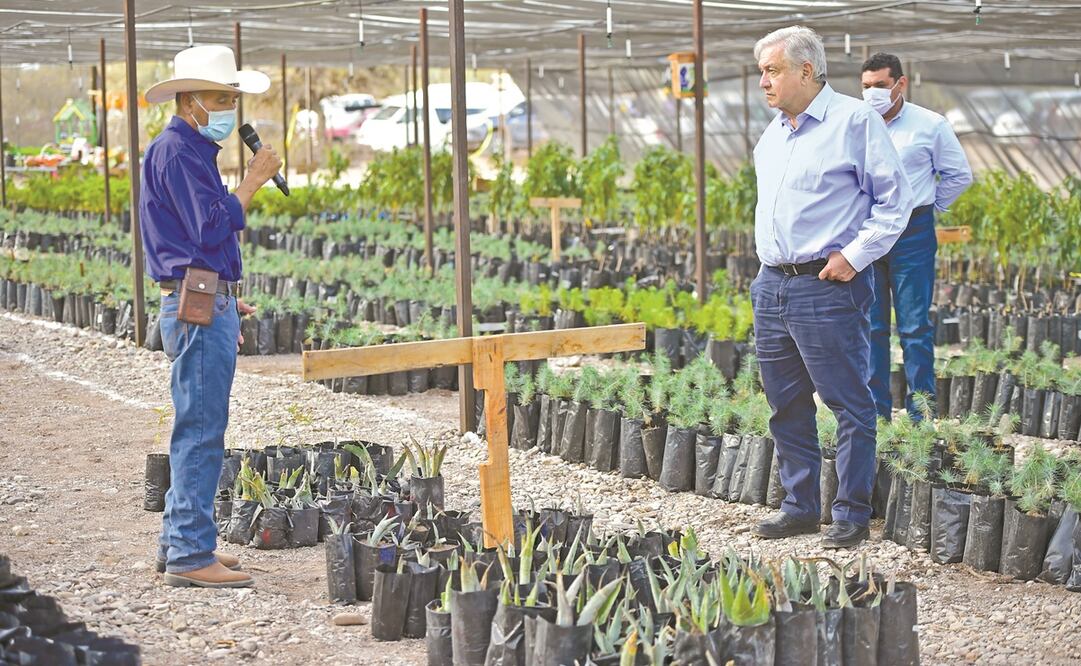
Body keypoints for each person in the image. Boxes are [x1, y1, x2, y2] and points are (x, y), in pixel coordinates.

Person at [748, 27, 914, 548]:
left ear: (806, 70)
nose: (763, 82)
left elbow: (895, 202)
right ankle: (800, 507)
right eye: (761, 72)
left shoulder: (854, 121)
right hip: (772, 285)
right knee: (786, 404)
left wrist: (854, 257)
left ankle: (851, 513)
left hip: (826, 285)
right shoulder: (774, 133)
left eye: (772, 71)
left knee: (848, 403)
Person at [141, 45, 282, 588]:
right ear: (188, 101)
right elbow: (209, 226)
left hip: (201, 297)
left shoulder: (189, 150)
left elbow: (196, 237)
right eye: (220, 99)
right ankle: (189, 554)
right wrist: (253, 180)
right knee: (201, 429)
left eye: (231, 99)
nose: (228, 109)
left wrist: (223, 295)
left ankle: (180, 540)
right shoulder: (178, 152)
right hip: (196, 303)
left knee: (197, 425)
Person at [860, 53, 973, 420]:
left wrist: (927, 205)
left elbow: (958, 174)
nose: (872, 93)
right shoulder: (856, 124)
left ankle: (921, 416)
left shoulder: (929, 125)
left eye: (880, 85)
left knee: (914, 327)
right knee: (871, 326)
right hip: (868, 232)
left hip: (912, 234)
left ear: (900, 83)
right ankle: (876, 415)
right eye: (866, 86)